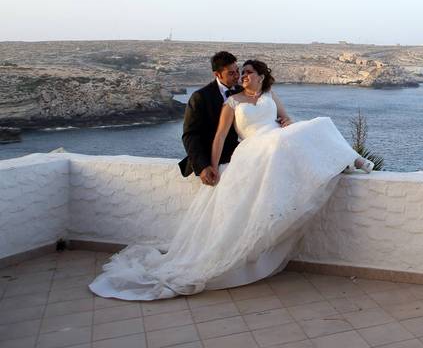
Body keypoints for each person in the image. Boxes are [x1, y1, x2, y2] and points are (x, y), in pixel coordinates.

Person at [89, 58, 374, 300]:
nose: (244, 76)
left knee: (321, 122)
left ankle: (352, 159)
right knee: (277, 145)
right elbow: (221, 137)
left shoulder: (271, 96)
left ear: (261, 77)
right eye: (241, 72)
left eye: (249, 72)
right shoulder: (232, 102)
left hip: (274, 140)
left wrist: (286, 123)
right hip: (253, 146)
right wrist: (211, 166)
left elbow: (287, 120)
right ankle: (348, 160)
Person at [178, 51, 243, 186]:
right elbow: (190, 135)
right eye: (231, 73)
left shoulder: (243, 92)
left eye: (237, 71)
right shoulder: (200, 97)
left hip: (240, 159)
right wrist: (203, 166)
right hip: (215, 163)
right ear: (217, 74)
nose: (237, 76)